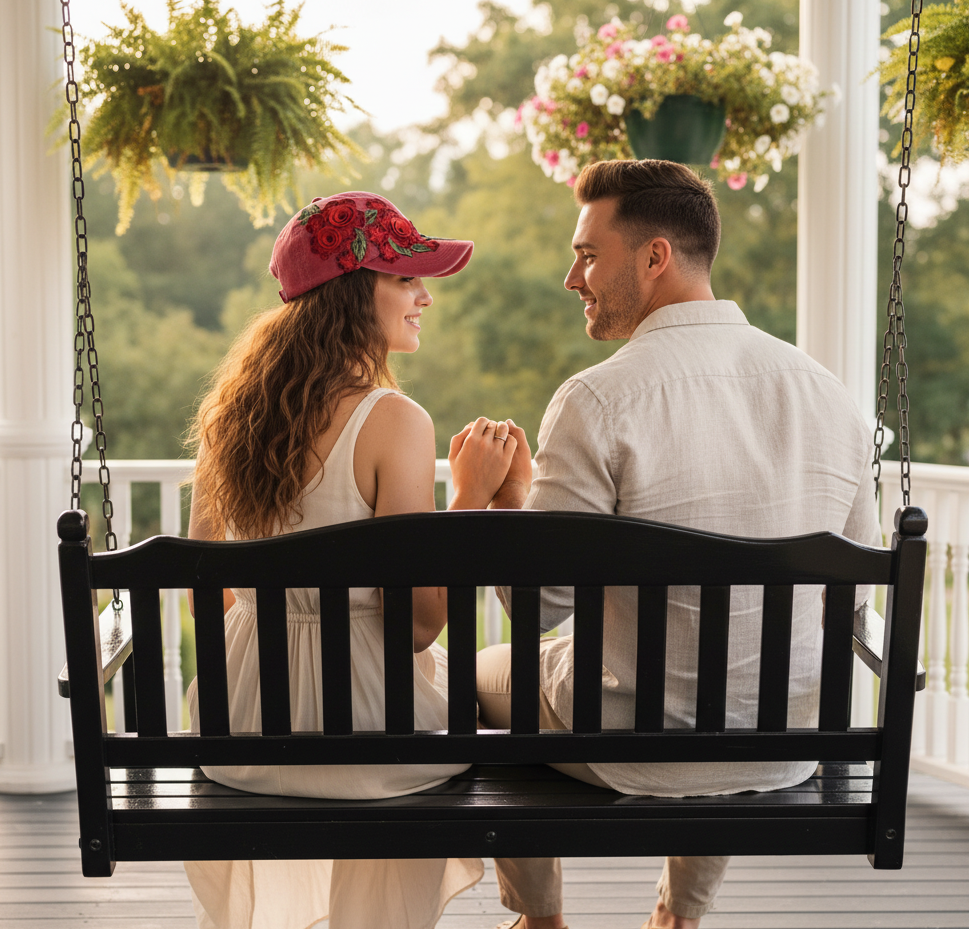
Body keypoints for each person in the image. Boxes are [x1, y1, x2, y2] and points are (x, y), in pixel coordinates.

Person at [472, 159, 882, 929]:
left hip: (629, 741)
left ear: (653, 256)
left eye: (588, 253)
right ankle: (680, 916)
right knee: (724, 659)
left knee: (478, 674)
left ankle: (540, 917)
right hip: (785, 740)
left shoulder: (598, 397)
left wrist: (506, 501)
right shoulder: (827, 392)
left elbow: (536, 605)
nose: (572, 277)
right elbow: (850, 588)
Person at [181, 191, 520, 929]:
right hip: (372, 738)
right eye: (404, 278)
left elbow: (202, 598)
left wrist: (283, 644)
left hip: (239, 731)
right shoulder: (393, 421)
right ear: (350, 292)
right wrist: (469, 499)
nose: (423, 295)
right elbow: (417, 629)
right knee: (473, 699)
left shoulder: (229, 420)